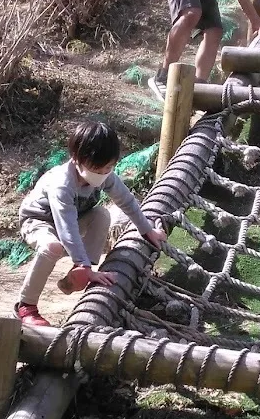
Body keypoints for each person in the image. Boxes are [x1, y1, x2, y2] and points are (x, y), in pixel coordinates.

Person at [15, 121, 167, 326]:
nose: (104, 173)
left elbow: (126, 201)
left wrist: (147, 231)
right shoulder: (62, 184)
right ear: (78, 159)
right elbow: (66, 226)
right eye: (98, 168)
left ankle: (80, 275)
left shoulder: (104, 176)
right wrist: (82, 262)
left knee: (102, 215)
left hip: (75, 218)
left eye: (109, 167)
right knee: (52, 247)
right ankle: (26, 305)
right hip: (38, 220)